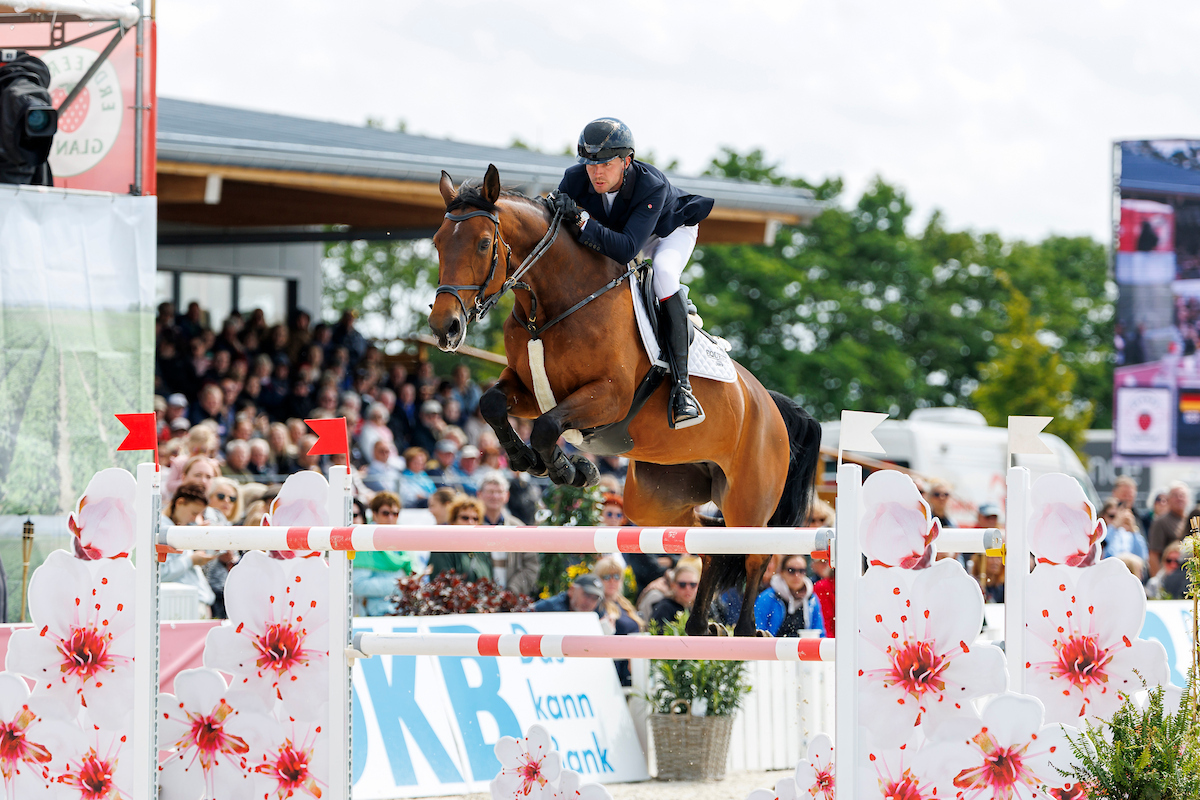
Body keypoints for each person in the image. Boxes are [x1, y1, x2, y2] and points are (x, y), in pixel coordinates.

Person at [552, 117, 714, 429]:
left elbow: (627, 248)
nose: (596, 173)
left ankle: (683, 390)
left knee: (664, 274)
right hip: (618, 233)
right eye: (590, 164)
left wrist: (582, 219)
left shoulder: (650, 184)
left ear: (627, 161)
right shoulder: (574, 178)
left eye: (606, 165)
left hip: (668, 233)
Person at [159, 483, 218, 617]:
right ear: (180, 503)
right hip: (183, 606)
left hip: (191, 605)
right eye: (194, 513)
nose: (194, 519)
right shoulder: (162, 529)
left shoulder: (173, 527)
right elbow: (161, 572)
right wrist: (191, 560)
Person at [354, 492, 413, 616]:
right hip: (376, 615)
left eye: (395, 513)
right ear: (374, 514)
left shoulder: (403, 541)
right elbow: (358, 585)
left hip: (403, 612)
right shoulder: (364, 541)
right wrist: (398, 585)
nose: (391, 518)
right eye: (385, 513)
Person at [754, 554, 826, 637]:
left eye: (801, 571)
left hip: (802, 649)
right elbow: (758, 632)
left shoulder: (812, 599)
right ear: (781, 572)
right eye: (791, 570)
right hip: (773, 648)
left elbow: (820, 633)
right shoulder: (767, 598)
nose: (797, 575)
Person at [427, 497, 492, 582]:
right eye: (465, 518)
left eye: (475, 519)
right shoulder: (442, 548)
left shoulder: (483, 550)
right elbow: (442, 584)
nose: (471, 522)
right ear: (453, 521)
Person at [1148, 482, 1189, 575]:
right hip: (1170, 574)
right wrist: (1158, 581)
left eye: (1182, 495)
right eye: (1175, 496)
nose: (1179, 498)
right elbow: (1153, 555)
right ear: (1168, 499)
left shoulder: (1191, 521)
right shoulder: (1160, 522)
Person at [649, 561, 701, 628]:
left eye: (693, 584)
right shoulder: (664, 608)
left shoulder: (702, 608)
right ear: (673, 586)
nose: (688, 589)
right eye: (682, 584)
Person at [533, 574, 605, 615]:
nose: (589, 602)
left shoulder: (598, 614)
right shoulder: (550, 608)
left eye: (595, 598)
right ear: (572, 590)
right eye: (587, 595)